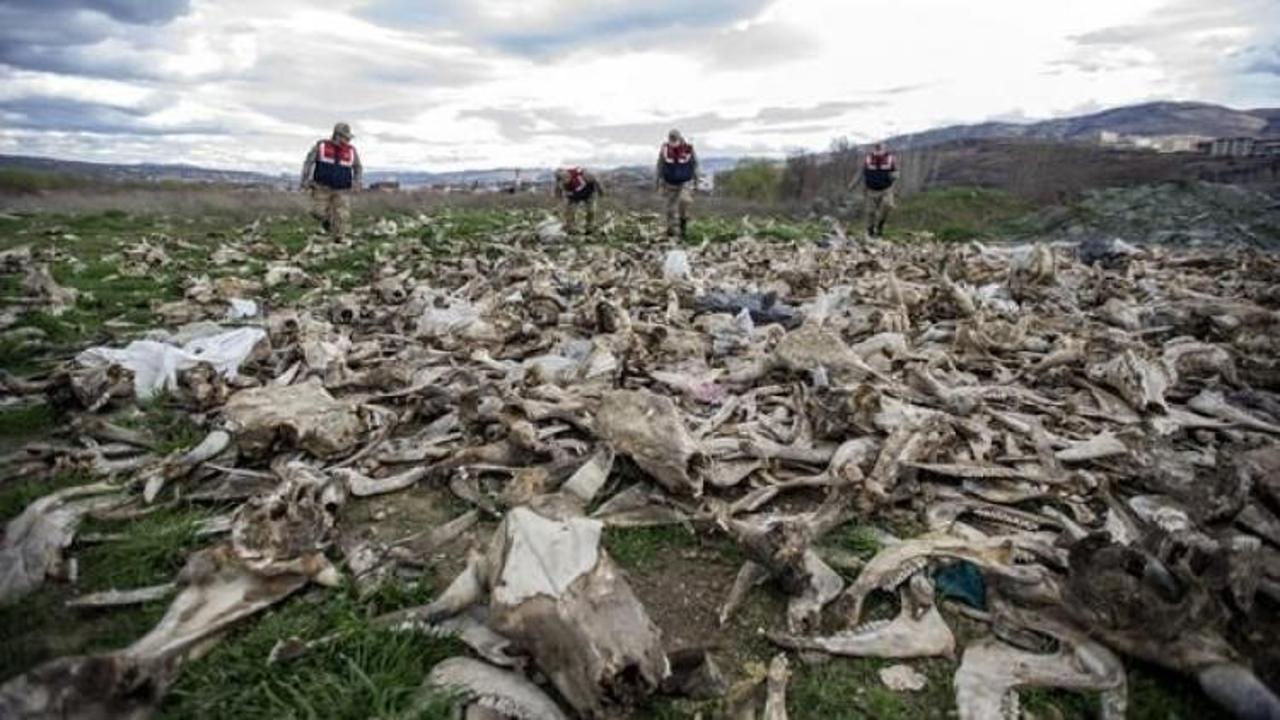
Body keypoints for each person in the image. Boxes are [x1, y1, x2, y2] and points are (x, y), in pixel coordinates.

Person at [301, 122, 362, 241]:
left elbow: (358, 167)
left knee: (342, 214)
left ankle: (339, 237)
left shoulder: (351, 151)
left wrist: (357, 181)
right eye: (345, 137)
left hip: (342, 189)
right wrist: (305, 179)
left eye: (348, 138)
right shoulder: (321, 146)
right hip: (321, 187)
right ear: (337, 135)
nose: (348, 140)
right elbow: (308, 162)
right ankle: (328, 220)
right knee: (317, 212)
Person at [655, 129, 699, 240]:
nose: (673, 142)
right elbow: (660, 164)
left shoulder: (688, 149)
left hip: (685, 181)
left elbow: (695, 164)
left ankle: (683, 228)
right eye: (671, 140)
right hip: (669, 182)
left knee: (684, 201)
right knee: (670, 208)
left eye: (675, 140)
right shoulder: (665, 149)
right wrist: (658, 181)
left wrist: (696, 181)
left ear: (680, 139)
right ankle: (670, 230)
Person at [857, 142, 898, 238]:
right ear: (874, 149)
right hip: (871, 190)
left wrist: (893, 177)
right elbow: (862, 172)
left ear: (884, 149)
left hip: (886, 189)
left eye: (880, 148)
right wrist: (853, 185)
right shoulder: (868, 159)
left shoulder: (890, 158)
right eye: (877, 148)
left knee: (888, 205)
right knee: (871, 212)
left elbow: (895, 172)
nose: (878, 151)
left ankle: (880, 225)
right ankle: (870, 231)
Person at [554, 166, 605, 237]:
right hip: (574, 196)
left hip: (589, 192)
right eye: (563, 179)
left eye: (566, 177)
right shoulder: (560, 184)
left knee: (591, 210)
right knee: (570, 212)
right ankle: (572, 229)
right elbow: (558, 194)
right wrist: (558, 204)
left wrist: (600, 190)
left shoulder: (579, 174)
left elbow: (595, 179)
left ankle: (589, 228)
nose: (566, 179)